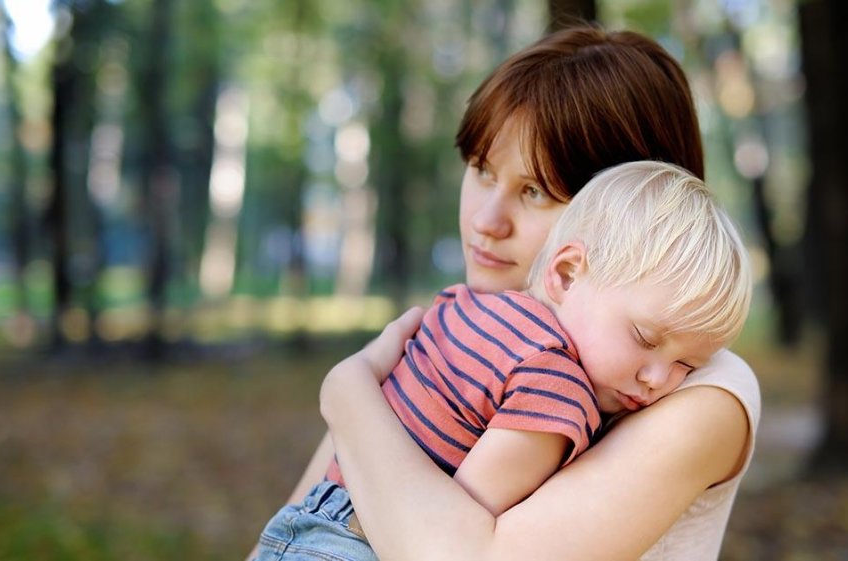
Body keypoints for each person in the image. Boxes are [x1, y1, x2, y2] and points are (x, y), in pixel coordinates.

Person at [251, 25, 760, 561]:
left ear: (629, 209)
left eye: (535, 191)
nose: (486, 222)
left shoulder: (706, 395)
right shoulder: (460, 338)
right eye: (482, 169)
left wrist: (348, 393)